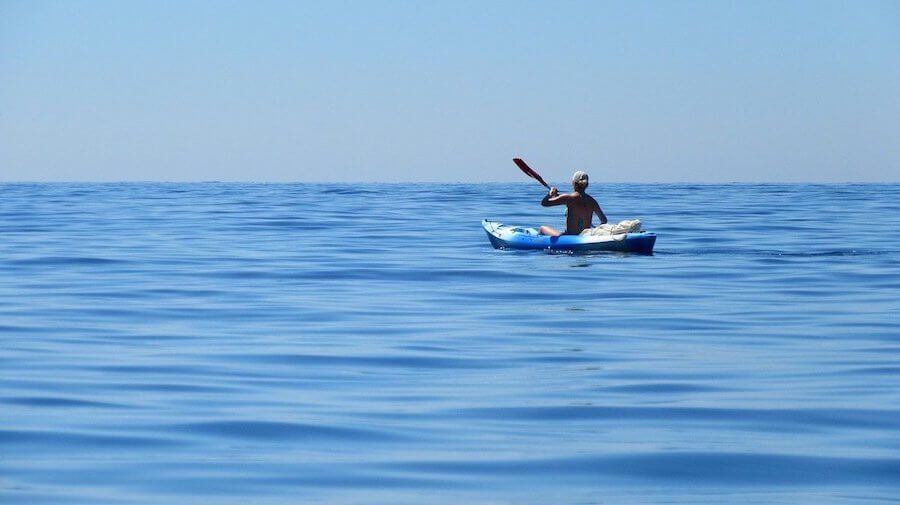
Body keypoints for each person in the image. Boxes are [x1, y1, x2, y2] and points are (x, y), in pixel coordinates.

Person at [539, 171, 607, 236]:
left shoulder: (569, 198)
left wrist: (550, 194)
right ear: (587, 185)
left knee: (542, 228)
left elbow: (544, 203)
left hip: (569, 236)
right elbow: (604, 220)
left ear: (574, 183)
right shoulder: (592, 201)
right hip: (585, 235)